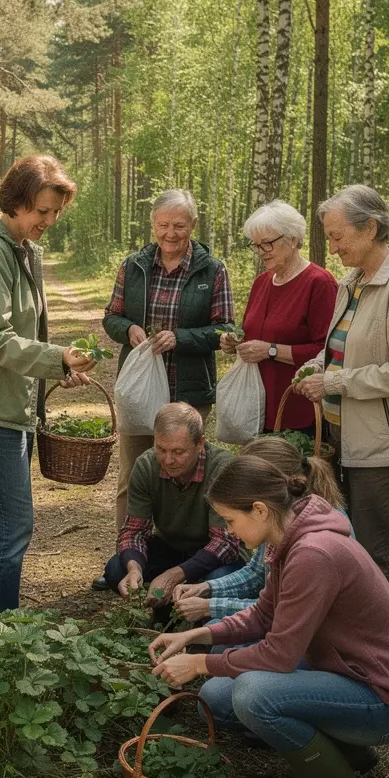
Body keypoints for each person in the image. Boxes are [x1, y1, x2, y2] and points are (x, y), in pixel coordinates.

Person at [150, 455, 389, 778]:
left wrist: (198, 666)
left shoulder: (313, 554)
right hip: (345, 673)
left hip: (383, 698)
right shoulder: (289, 537)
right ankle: (348, 753)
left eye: (230, 520)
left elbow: (278, 654)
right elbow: (263, 616)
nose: (229, 531)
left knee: (253, 694)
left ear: (260, 510)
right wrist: (193, 638)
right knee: (224, 696)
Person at [0, 155, 96, 613]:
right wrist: (54, 359)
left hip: (6, 401)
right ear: (17, 201)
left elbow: (22, 334)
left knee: (6, 521)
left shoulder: (20, 246)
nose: (50, 220)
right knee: (10, 523)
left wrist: (58, 366)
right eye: (42, 211)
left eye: (56, 212)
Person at [293, 185, 389, 620]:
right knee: (347, 541)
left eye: (338, 236)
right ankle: (359, 641)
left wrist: (336, 382)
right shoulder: (352, 282)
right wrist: (316, 367)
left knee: (378, 550)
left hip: (382, 443)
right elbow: (340, 347)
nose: (332, 247)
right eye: (329, 237)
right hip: (345, 434)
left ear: (371, 228)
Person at [103, 188, 234, 532]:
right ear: (153, 224)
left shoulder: (213, 271)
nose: (170, 233)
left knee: (186, 474)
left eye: (179, 225)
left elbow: (225, 329)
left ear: (193, 224)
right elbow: (111, 316)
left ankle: (182, 553)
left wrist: (181, 339)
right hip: (140, 392)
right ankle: (126, 554)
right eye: (163, 225)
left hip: (188, 391)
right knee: (133, 473)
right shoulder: (133, 266)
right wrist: (128, 328)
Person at [172, 435, 347, 626]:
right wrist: (205, 588)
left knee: (219, 636)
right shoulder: (278, 517)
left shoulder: (313, 543)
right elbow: (256, 574)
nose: (229, 530)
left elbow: (279, 611)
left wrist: (208, 606)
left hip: (320, 638)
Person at [99, 403, 242, 612]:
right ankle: (165, 608)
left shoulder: (223, 469)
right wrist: (134, 567)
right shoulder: (146, 465)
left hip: (218, 556)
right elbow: (133, 531)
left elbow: (225, 543)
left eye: (178, 451)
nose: (168, 460)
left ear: (200, 443)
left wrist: (174, 574)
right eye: (161, 449)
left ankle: (199, 617)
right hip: (172, 546)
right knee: (116, 570)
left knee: (217, 580)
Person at [218, 200, 337, 433]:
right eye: (256, 245)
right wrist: (234, 342)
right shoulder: (262, 282)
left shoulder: (319, 283)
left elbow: (329, 352)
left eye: (268, 244)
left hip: (298, 409)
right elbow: (253, 334)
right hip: (256, 407)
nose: (261, 252)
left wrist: (271, 350)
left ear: (293, 240)